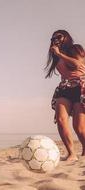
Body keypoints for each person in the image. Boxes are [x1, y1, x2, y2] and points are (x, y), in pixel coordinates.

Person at [45, 30, 85, 161]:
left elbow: (77, 64)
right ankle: (71, 153)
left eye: (59, 36)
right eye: (53, 37)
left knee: (79, 127)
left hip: (80, 87)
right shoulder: (56, 56)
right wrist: (56, 54)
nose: (56, 39)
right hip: (64, 88)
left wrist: (59, 54)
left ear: (66, 37)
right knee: (61, 121)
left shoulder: (76, 49)